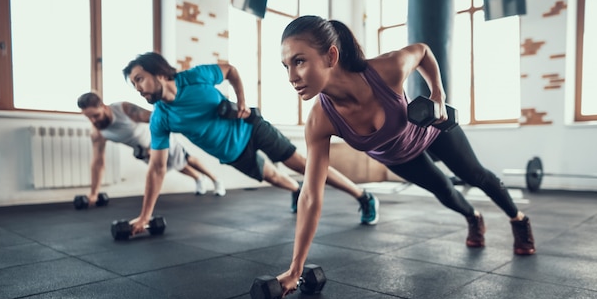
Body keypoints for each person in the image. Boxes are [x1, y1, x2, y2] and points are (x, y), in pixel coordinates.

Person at [276, 15, 535, 296]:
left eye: (299, 61)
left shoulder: (386, 69)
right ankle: (473, 217)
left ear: (331, 55)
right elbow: (311, 195)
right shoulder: (320, 120)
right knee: (444, 190)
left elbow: (422, 51)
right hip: (399, 157)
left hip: (432, 132)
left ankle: (518, 219)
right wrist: (295, 269)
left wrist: (438, 93)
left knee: (475, 175)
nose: (291, 77)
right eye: (286, 66)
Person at [121, 52, 379, 236]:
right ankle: (295, 190)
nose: (138, 88)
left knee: (303, 164)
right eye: (133, 84)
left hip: (251, 127)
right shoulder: (161, 118)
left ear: (158, 71)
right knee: (277, 179)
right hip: (234, 152)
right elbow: (156, 168)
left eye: (139, 79)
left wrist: (242, 102)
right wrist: (145, 216)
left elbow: (230, 70)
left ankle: (363, 196)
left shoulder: (194, 77)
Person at [77, 92, 226, 205]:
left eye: (95, 115)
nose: (93, 120)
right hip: (144, 152)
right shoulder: (97, 132)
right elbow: (97, 163)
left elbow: (158, 118)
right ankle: (199, 178)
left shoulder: (124, 110)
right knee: (176, 166)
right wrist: (93, 194)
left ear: (103, 106)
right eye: (88, 117)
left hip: (159, 140)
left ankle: (216, 180)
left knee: (186, 159)